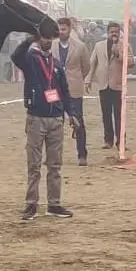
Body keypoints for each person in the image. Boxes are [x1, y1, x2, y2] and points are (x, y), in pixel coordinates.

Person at [11, 30, 81, 220]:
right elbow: (15, 56)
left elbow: (64, 91)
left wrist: (71, 114)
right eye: (43, 37)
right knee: (34, 165)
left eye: (49, 38)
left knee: (55, 165)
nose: (47, 40)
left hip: (56, 118)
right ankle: (31, 204)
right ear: (38, 38)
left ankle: (54, 204)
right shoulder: (30, 60)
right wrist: (29, 40)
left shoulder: (56, 64)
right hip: (36, 117)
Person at [86, 22, 131, 149]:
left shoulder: (125, 45)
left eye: (116, 32)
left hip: (118, 85)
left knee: (119, 115)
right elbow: (92, 63)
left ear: (119, 33)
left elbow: (130, 62)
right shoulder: (98, 45)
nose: (114, 34)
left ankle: (121, 141)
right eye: (112, 32)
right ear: (107, 33)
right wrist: (88, 80)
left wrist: (118, 54)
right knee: (106, 114)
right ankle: (108, 140)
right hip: (103, 84)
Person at [55, 17, 92, 166]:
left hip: (74, 89)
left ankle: (82, 155)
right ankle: (54, 155)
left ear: (70, 29)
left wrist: (76, 79)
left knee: (78, 122)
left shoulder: (80, 46)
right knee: (54, 124)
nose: (61, 31)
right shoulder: (51, 45)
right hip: (54, 90)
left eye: (63, 29)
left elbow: (86, 67)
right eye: (59, 29)